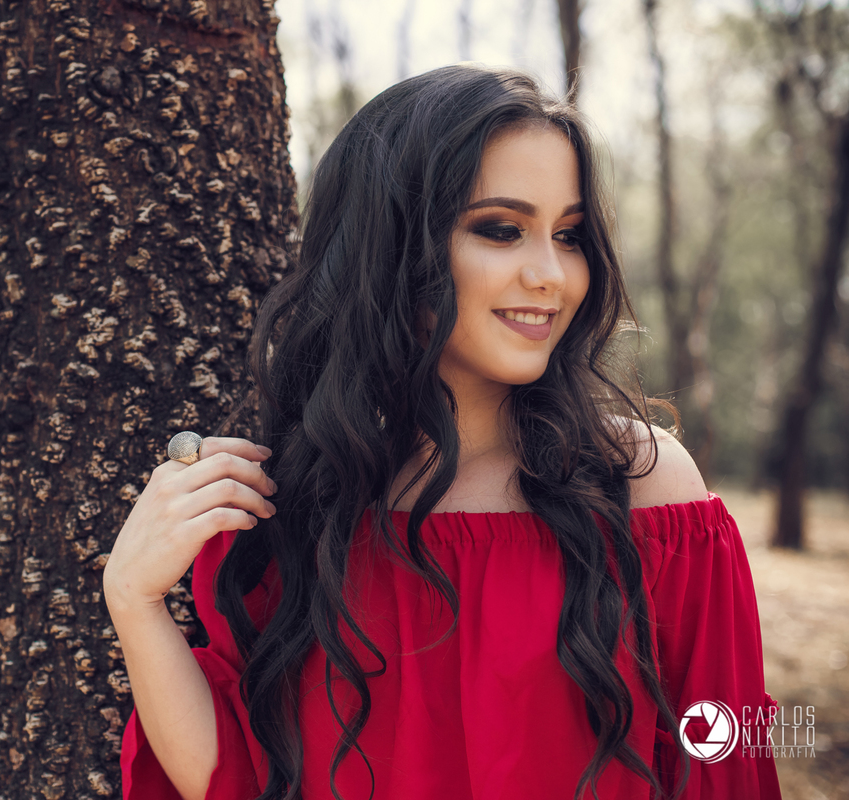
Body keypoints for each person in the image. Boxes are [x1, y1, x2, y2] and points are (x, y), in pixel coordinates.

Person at [103, 64, 783, 800]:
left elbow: (728, 759)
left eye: (571, 234)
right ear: (392, 244)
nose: (552, 273)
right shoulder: (291, 505)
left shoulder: (644, 486)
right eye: (501, 229)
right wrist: (133, 600)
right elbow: (236, 779)